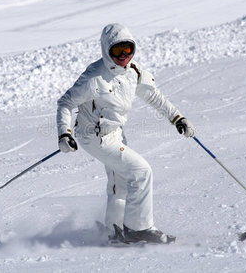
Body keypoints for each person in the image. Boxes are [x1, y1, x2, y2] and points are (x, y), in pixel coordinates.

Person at [56, 23, 195, 243]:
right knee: (141, 172)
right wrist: (65, 133)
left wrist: (176, 117)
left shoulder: (133, 72)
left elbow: (153, 96)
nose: (123, 56)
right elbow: (65, 103)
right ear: (106, 50)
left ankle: (113, 231)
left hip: (115, 133)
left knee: (119, 181)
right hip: (96, 136)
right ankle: (139, 229)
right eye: (117, 50)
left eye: (127, 50)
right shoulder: (94, 78)